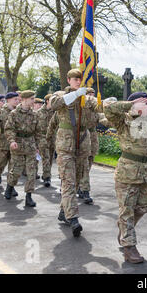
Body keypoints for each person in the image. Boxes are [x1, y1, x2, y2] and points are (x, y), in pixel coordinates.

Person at [102, 92, 147, 264]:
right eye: (143, 103)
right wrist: (131, 105)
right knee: (127, 210)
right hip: (128, 171)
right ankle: (129, 247)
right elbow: (108, 108)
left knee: (141, 209)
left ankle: (123, 227)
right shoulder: (124, 120)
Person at [50, 69, 102, 237]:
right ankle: (73, 219)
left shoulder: (86, 98)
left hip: (82, 146)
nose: (78, 81)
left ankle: (63, 212)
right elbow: (55, 104)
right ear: (68, 79)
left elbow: (100, 107)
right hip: (65, 147)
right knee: (69, 182)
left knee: (78, 181)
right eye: (75, 79)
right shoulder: (60, 95)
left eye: (80, 79)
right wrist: (75, 94)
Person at [4, 90, 42, 207]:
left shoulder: (35, 114)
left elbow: (38, 132)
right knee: (16, 171)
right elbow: (9, 129)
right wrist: (12, 141)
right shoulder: (14, 114)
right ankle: (10, 186)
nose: (33, 101)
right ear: (24, 99)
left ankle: (28, 196)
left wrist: (38, 146)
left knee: (31, 172)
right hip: (18, 145)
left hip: (30, 145)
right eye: (31, 99)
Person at [76, 87, 110, 205]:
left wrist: (113, 121)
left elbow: (104, 120)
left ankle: (81, 185)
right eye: (89, 94)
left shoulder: (96, 110)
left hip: (92, 136)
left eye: (93, 94)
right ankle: (84, 190)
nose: (92, 96)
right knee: (82, 164)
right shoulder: (80, 108)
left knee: (88, 163)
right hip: (82, 136)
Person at [0, 92, 20, 190]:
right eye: (15, 99)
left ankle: (10, 186)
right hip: (3, 142)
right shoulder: (1, 111)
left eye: (18, 99)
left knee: (13, 166)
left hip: (15, 142)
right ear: (8, 100)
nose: (17, 101)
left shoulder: (19, 111)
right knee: (0, 165)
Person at [35, 94, 55, 187]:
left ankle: (46, 174)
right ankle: (47, 178)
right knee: (46, 158)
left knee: (50, 158)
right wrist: (35, 143)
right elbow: (35, 128)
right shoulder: (38, 113)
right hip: (42, 138)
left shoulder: (55, 112)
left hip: (53, 138)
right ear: (47, 101)